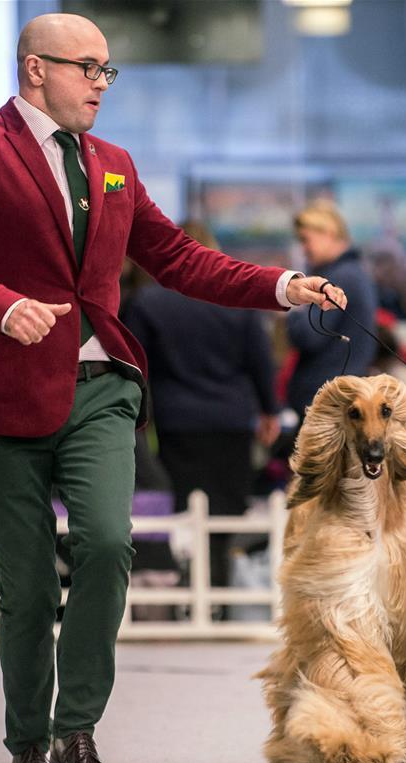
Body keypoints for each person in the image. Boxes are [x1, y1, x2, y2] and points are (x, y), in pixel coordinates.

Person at [0, 13, 346, 763]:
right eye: (88, 68)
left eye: (109, 71)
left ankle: (79, 728)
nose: (101, 85)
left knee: (109, 544)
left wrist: (280, 286)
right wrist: (1, 304)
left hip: (102, 389)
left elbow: (178, 258)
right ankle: (27, 743)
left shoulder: (114, 165)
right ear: (35, 68)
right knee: (30, 585)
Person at [122, 220, 281, 601]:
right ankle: (221, 599)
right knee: (224, 518)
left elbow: (132, 363)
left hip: (178, 423)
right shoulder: (237, 302)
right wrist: (269, 410)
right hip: (231, 421)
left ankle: (188, 602)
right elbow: (261, 361)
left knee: (184, 515)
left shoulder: (149, 302)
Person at [284, 200, 377, 418]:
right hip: (337, 395)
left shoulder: (340, 278)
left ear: (328, 232)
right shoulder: (354, 273)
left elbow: (308, 336)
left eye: (306, 240)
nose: (303, 248)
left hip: (326, 402)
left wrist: (293, 305)